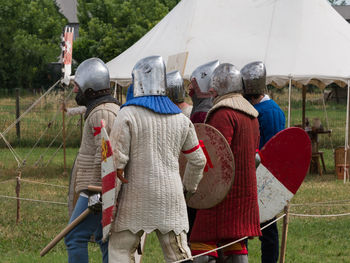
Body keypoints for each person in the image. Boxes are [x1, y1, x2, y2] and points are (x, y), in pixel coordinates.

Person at [108, 56, 207, 263]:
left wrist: (110, 200)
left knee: (120, 250)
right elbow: (198, 160)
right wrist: (187, 189)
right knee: (178, 255)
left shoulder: (127, 114)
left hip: (134, 197)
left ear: (138, 81)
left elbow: (115, 163)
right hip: (172, 197)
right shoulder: (181, 119)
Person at [190, 63, 261, 263]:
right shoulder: (251, 116)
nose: (211, 92)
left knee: (200, 241)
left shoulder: (223, 113)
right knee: (234, 240)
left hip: (222, 196)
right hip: (244, 193)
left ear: (218, 88)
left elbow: (215, 159)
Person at [64, 58, 120, 263]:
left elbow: (105, 157)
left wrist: (98, 193)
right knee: (104, 239)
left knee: (74, 237)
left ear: (89, 87)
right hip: (99, 190)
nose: (75, 91)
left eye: (78, 86)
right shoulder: (101, 109)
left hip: (96, 191)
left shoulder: (102, 112)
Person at [242, 61, 285, 263]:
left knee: (253, 227)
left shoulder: (259, 112)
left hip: (259, 173)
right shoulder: (276, 109)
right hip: (271, 175)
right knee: (268, 226)